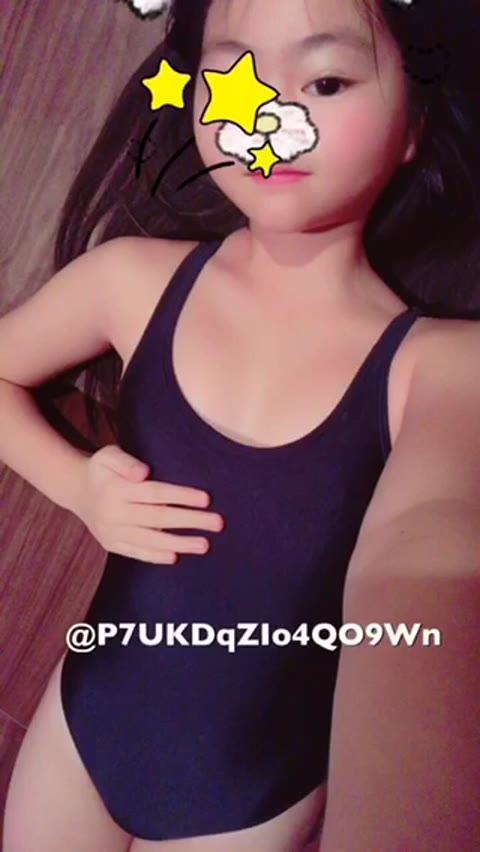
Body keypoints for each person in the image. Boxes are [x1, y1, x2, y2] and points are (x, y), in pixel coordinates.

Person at [2, 0, 480, 849]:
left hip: (252, 793)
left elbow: (434, 569)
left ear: (415, 125)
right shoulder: (130, 281)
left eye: (325, 82)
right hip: (81, 726)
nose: (268, 116)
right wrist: (77, 486)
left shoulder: (437, 367)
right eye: (233, 77)